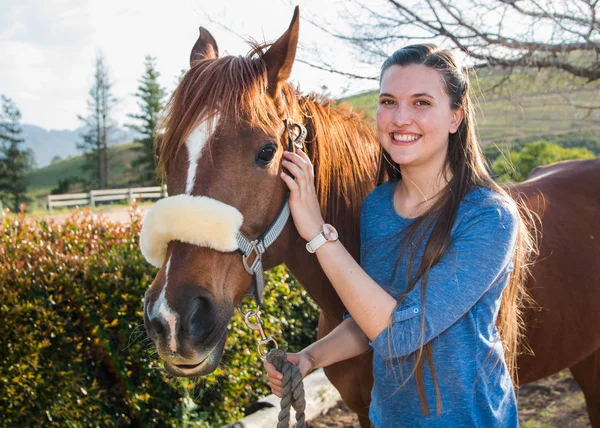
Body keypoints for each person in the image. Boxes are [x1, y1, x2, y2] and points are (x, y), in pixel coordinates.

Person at [265, 44, 534, 427]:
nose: (400, 118)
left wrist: (317, 233)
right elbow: (369, 319)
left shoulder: (488, 216)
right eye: (388, 101)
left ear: (455, 116)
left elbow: (401, 334)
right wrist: (310, 357)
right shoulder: (377, 207)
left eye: (422, 102)